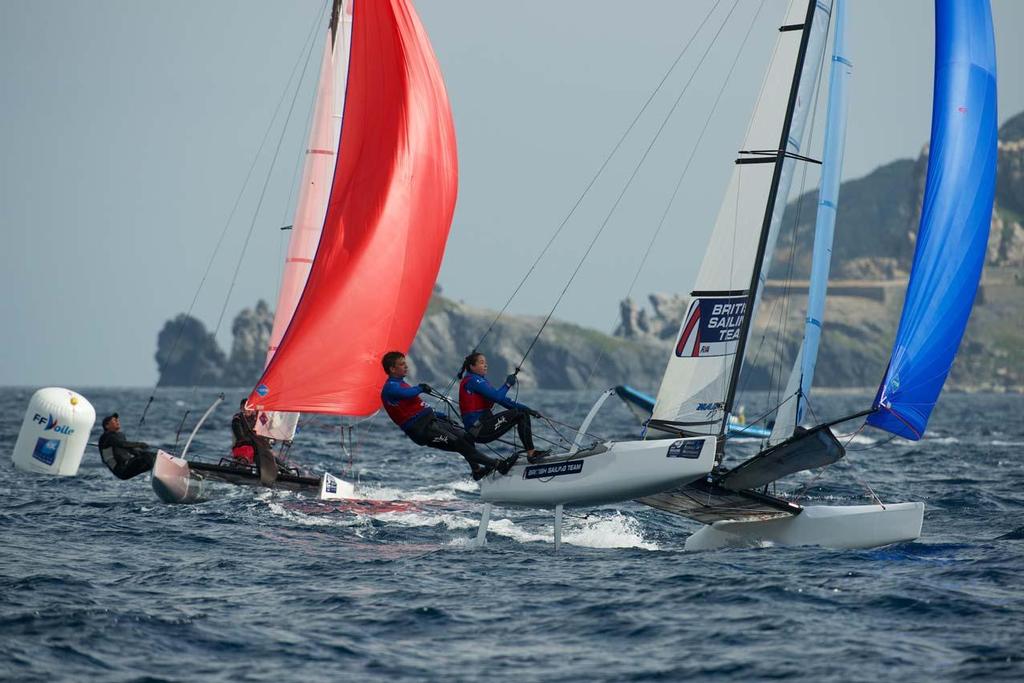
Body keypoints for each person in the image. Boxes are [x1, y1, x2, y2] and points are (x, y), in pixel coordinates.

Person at [380, 351, 515, 480]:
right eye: (402, 364)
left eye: (405, 363)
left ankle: (477, 470)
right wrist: (420, 388)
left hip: (432, 421)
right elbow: (406, 394)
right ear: (392, 369)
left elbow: (416, 406)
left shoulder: (401, 383)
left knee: (466, 437)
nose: (406, 366)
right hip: (422, 430)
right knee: (461, 444)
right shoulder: (390, 387)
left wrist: (438, 414)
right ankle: (498, 465)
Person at [458, 353, 548, 463]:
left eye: (486, 363)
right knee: (521, 414)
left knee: (522, 413)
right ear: (472, 366)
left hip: (482, 427)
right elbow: (497, 398)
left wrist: (528, 410)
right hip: (479, 430)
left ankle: (531, 452)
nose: (485, 365)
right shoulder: (472, 380)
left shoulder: (480, 381)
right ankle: (531, 453)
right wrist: (507, 384)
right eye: (481, 363)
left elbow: (505, 401)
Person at [96, 413, 157, 480]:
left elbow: (129, 449)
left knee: (154, 456)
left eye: (117, 420)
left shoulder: (120, 435)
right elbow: (122, 444)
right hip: (121, 470)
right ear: (107, 426)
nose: (117, 421)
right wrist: (140, 444)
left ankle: (162, 472)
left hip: (128, 465)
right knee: (148, 457)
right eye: (114, 420)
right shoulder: (106, 437)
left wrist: (142, 452)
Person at [231, 399, 258, 465]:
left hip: (256, 448)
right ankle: (241, 465)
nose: (248, 410)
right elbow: (240, 436)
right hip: (241, 447)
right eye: (246, 407)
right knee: (247, 451)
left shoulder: (256, 419)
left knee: (268, 455)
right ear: (241, 408)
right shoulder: (237, 420)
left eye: (250, 407)